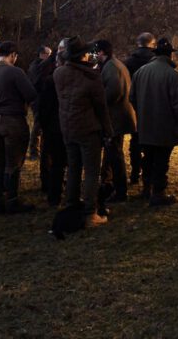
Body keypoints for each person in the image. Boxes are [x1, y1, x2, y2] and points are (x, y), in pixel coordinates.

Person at [54, 36, 112, 224]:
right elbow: (101, 107)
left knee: (73, 168)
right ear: (82, 55)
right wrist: (108, 130)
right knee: (92, 171)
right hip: (88, 128)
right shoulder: (91, 77)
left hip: (68, 127)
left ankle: (71, 203)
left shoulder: (59, 74)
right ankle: (90, 212)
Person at [0, 40, 39, 214]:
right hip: (12, 120)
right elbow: (31, 94)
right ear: (13, 55)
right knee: (13, 163)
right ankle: (12, 200)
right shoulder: (15, 72)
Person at [131, 36, 178, 207]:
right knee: (161, 160)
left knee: (147, 157)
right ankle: (158, 193)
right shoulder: (173, 75)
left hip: (145, 125)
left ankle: (146, 189)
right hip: (164, 126)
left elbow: (132, 97)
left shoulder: (140, 72)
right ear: (170, 55)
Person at [97, 39, 134, 204]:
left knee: (115, 155)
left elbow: (114, 92)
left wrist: (98, 101)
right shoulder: (114, 65)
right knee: (113, 153)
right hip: (119, 116)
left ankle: (120, 191)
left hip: (116, 117)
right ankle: (111, 185)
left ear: (102, 52)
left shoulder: (111, 67)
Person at [33, 45, 66, 208]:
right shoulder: (50, 75)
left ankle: (52, 188)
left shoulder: (48, 71)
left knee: (54, 157)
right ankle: (50, 186)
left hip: (53, 121)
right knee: (55, 158)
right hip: (55, 122)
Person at [123, 32, 157, 184]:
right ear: (152, 43)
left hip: (134, 104)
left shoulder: (129, 61)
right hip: (153, 105)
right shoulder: (155, 60)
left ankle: (135, 173)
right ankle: (149, 176)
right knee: (152, 143)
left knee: (135, 141)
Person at [26, 44, 54, 160]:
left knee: (40, 125)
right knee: (38, 125)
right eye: (48, 54)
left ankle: (39, 150)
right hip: (38, 99)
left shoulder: (38, 65)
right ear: (42, 54)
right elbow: (37, 82)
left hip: (39, 98)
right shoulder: (37, 66)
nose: (50, 56)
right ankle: (34, 151)